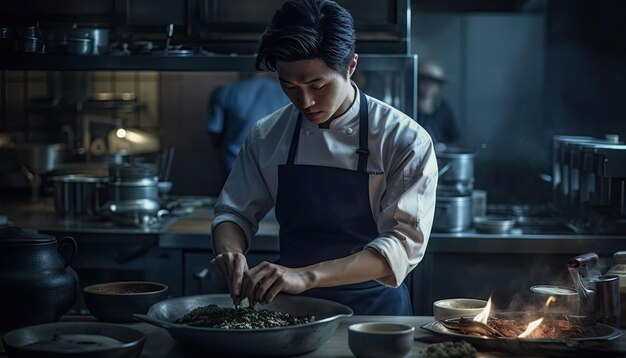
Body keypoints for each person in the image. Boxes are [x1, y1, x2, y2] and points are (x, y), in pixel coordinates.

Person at [209, 0, 438, 315]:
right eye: (289, 86)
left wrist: (306, 275)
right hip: (291, 311)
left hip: (374, 314)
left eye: (318, 85)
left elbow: (402, 245)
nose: (305, 101)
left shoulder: (403, 139)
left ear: (351, 66)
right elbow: (233, 213)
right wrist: (230, 251)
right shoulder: (267, 134)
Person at [207, 74, 290, 173]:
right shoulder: (287, 92)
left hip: (234, 163)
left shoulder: (225, 91)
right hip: (275, 163)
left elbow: (214, 134)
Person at [417, 60, 461, 148]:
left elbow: (453, 138)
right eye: (424, 80)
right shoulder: (406, 106)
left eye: (433, 82)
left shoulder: (444, 108)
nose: (428, 85)